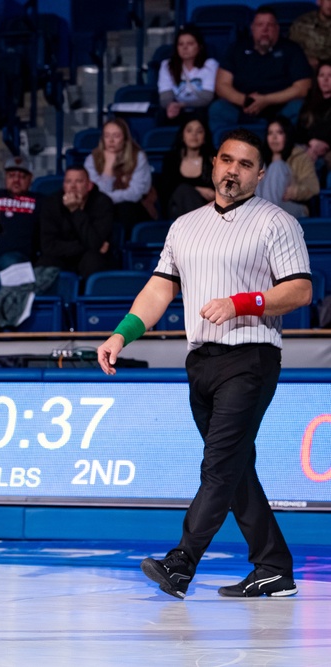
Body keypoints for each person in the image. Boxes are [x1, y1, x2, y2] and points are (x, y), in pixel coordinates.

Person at [96, 127, 311, 600]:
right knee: (235, 468)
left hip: (251, 357)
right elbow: (159, 289)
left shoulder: (277, 223)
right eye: (227, 160)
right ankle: (273, 567)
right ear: (214, 163)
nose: (233, 170)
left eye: (246, 164)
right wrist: (121, 334)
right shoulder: (184, 226)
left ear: (258, 173)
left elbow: (299, 289)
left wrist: (243, 303)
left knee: (218, 466)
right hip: (202, 361)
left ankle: (181, 564)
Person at [210, 6, 312, 128]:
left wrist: (266, 100)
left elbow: (303, 87)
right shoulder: (237, 48)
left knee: (299, 107)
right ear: (252, 28)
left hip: (280, 111)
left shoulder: (292, 49)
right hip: (242, 108)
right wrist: (246, 100)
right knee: (217, 109)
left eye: (270, 25)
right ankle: (226, 146)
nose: (265, 29)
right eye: (260, 25)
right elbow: (221, 85)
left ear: (277, 29)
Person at [36, 165, 115, 279]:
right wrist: (90, 246)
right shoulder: (51, 204)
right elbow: (48, 246)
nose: (73, 186)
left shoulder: (102, 203)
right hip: (61, 256)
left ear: (89, 186)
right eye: (68, 181)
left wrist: (75, 210)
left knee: (93, 260)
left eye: (79, 181)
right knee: (45, 262)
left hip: (90, 258)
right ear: (64, 186)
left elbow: (94, 244)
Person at [84, 117, 153, 231]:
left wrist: (106, 199)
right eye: (107, 136)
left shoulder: (138, 157)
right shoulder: (92, 159)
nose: (111, 140)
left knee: (124, 209)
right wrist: (108, 169)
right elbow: (94, 192)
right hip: (101, 208)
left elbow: (135, 193)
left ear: (125, 139)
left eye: (116, 136)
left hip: (132, 207)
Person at [0, 155, 41, 271]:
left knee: (11, 262)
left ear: (30, 179)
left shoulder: (40, 201)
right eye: (12, 176)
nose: (16, 180)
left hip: (15, 257)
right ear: (5, 177)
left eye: (22, 177)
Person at [256, 116, 320, 218]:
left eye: (279, 133)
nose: (274, 137)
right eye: (270, 133)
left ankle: (262, 218)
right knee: (258, 167)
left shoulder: (300, 156)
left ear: (287, 135)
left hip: (292, 205)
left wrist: (294, 191)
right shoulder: (262, 158)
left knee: (277, 166)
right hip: (265, 209)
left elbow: (313, 187)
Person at [157, 26, 218, 124]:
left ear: (199, 46)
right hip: (176, 108)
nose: (185, 48)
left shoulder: (210, 65)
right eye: (180, 44)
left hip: (200, 108)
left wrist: (183, 105)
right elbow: (165, 97)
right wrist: (171, 105)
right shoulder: (166, 65)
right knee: (163, 114)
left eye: (190, 44)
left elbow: (207, 97)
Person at [158, 117, 216, 219]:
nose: (194, 134)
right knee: (183, 191)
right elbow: (167, 189)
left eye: (199, 131)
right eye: (189, 130)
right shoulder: (171, 159)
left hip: (207, 208)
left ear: (205, 137)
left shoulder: (213, 160)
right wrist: (197, 189)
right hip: (177, 209)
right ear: (183, 136)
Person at [296, 60, 331, 161]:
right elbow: (300, 130)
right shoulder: (309, 102)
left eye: (330, 75)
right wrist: (311, 143)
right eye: (321, 75)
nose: (325, 79)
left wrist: (326, 144)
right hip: (308, 146)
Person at [289, 0, 331, 70]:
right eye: (328, 0)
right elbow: (290, 50)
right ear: (319, 1)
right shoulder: (302, 24)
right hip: (306, 70)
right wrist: (305, 59)